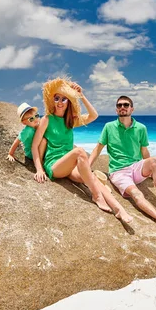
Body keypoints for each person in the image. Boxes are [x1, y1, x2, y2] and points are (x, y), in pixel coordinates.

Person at [31, 77, 133, 223]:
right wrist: (39, 169)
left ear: (68, 103)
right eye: (57, 98)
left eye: (64, 99)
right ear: (52, 100)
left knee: (92, 178)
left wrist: (82, 96)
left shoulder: (70, 120)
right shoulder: (47, 119)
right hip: (55, 165)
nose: (60, 102)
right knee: (79, 151)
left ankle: (119, 210)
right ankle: (96, 196)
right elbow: (35, 145)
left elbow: (94, 116)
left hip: (69, 165)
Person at [88, 96, 156, 232]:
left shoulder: (141, 128)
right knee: (137, 194)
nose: (122, 107)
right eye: (119, 105)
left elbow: (144, 151)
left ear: (132, 109)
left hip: (136, 167)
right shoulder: (109, 127)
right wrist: (86, 168)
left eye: (126, 105)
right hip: (118, 172)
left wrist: (154, 171)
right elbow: (98, 148)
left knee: (155, 161)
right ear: (116, 109)